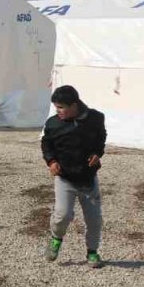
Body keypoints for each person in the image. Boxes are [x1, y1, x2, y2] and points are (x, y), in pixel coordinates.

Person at [40, 85, 106, 268]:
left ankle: (92, 252)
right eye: (56, 107)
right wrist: (51, 161)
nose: (57, 111)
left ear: (74, 105)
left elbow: (101, 138)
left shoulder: (96, 118)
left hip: (88, 179)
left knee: (94, 219)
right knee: (62, 215)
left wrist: (97, 153)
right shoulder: (53, 124)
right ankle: (55, 240)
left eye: (61, 107)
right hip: (65, 178)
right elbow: (46, 145)